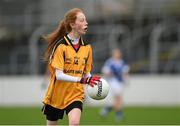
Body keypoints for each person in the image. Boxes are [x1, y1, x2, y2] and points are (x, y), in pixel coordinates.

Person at [41, 8, 101, 126]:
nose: (86, 23)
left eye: (86, 20)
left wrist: (92, 81)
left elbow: (86, 72)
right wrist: (82, 80)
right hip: (56, 95)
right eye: (82, 20)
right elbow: (59, 75)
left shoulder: (87, 47)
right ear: (72, 24)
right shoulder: (61, 46)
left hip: (75, 94)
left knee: (74, 123)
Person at [99, 48, 130, 121]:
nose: (118, 54)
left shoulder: (122, 62)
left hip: (120, 83)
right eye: (116, 53)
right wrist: (109, 76)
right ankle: (118, 115)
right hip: (113, 82)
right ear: (113, 54)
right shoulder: (110, 62)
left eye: (118, 53)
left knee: (117, 99)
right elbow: (106, 71)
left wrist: (127, 80)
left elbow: (125, 72)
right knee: (118, 98)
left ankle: (105, 110)